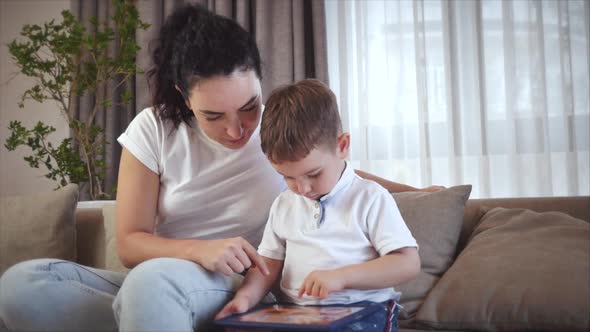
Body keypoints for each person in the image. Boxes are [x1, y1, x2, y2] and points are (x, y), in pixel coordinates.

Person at [0, 4, 440, 332]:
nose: (237, 130)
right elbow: (132, 243)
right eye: (214, 116)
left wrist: (423, 193)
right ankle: (158, 317)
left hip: (234, 283)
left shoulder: (282, 133)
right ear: (183, 95)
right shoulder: (152, 130)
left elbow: (337, 176)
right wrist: (198, 250)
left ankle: (159, 312)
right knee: (22, 284)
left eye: (249, 107)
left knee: (151, 286)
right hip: (168, 274)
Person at [215, 79, 420, 332]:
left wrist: (342, 277)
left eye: (313, 174)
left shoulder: (370, 197)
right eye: (287, 177)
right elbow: (267, 263)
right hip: (297, 314)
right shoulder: (283, 204)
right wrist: (245, 297)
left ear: (342, 146)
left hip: (363, 310)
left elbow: (408, 263)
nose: (302, 189)